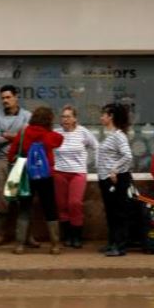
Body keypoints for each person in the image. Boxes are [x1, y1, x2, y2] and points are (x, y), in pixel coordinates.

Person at [7, 107, 65, 255]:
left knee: (25, 208)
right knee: (50, 208)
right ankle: (55, 245)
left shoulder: (23, 132)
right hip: (46, 176)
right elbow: (60, 140)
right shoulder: (49, 135)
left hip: (27, 176)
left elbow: (11, 154)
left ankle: (19, 245)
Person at [0, 85, 33, 248]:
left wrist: (6, 134)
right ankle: (1, 235)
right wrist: (17, 136)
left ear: (16, 97)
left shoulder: (27, 115)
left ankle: (27, 236)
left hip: (21, 161)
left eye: (8, 97)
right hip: (3, 162)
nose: (5, 101)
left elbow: (29, 138)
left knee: (23, 198)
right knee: (2, 199)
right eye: (3, 98)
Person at [53, 105, 98, 248]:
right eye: (63, 116)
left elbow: (96, 146)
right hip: (59, 172)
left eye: (68, 116)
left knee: (75, 203)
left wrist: (98, 164)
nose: (65, 119)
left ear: (74, 119)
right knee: (62, 205)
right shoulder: (56, 133)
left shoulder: (83, 132)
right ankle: (68, 236)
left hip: (78, 173)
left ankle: (77, 236)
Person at [96, 103, 134, 257]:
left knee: (119, 213)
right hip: (107, 179)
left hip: (117, 179)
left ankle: (120, 246)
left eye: (104, 114)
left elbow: (128, 155)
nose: (101, 117)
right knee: (111, 213)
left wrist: (115, 169)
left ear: (110, 117)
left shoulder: (118, 135)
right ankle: (112, 243)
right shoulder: (110, 135)